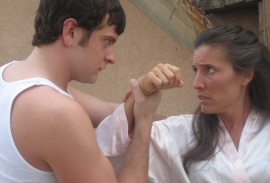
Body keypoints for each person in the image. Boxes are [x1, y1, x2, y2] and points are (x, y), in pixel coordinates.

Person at [0, 0, 183, 182]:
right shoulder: (56, 111)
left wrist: (195, 126)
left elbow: (111, 113)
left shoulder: (10, 75)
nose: (112, 57)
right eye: (107, 41)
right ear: (70, 31)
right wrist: (144, 124)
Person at [97, 25, 270, 182]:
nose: (196, 84)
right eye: (196, 70)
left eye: (210, 70)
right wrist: (141, 95)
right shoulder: (180, 133)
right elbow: (109, 150)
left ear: (246, 75)